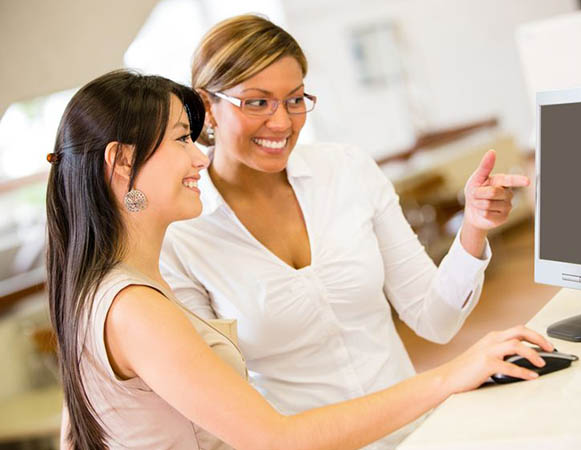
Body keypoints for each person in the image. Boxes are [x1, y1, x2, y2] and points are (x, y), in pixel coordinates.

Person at [49, 69, 551, 450]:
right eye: (183, 138)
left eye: (295, 99)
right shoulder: (134, 305)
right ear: (120, 164)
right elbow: (276, 439)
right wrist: (450, 375)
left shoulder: (112, 288)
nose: (198, 156)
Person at [159, 14, 533, 448]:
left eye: (295, 99)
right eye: (257, 102)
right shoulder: (181, 234)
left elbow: (435, 319)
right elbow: (222, 406)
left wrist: (473, 228)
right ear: (208, 106)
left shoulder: (347, 169)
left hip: (419, 433)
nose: (281, 123)